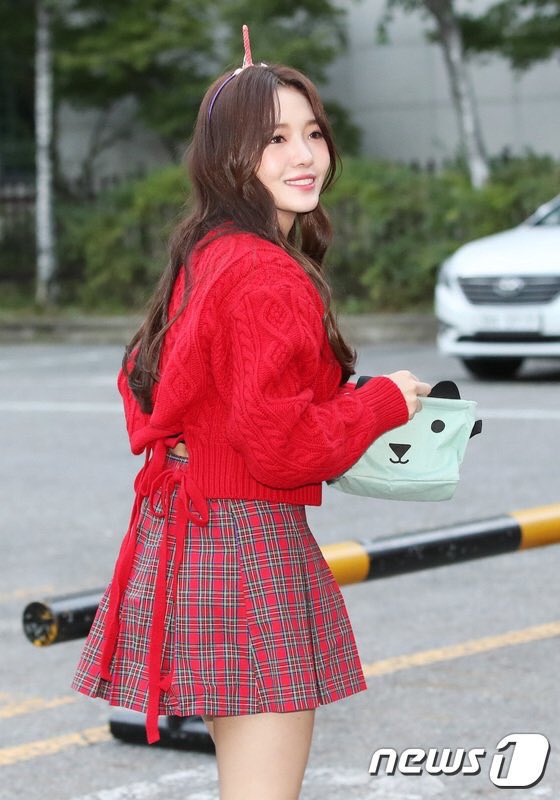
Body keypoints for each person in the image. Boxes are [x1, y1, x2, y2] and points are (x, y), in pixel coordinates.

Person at [71, 25, 431, 800]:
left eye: (313, 133)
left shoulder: (207, 252)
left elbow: (155, 386)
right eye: (273, 139)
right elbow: (282, 446)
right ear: (229, 156)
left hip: (190, 533)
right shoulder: (265, 274)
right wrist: (381, 403)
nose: (305, 156)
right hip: (244, 543)